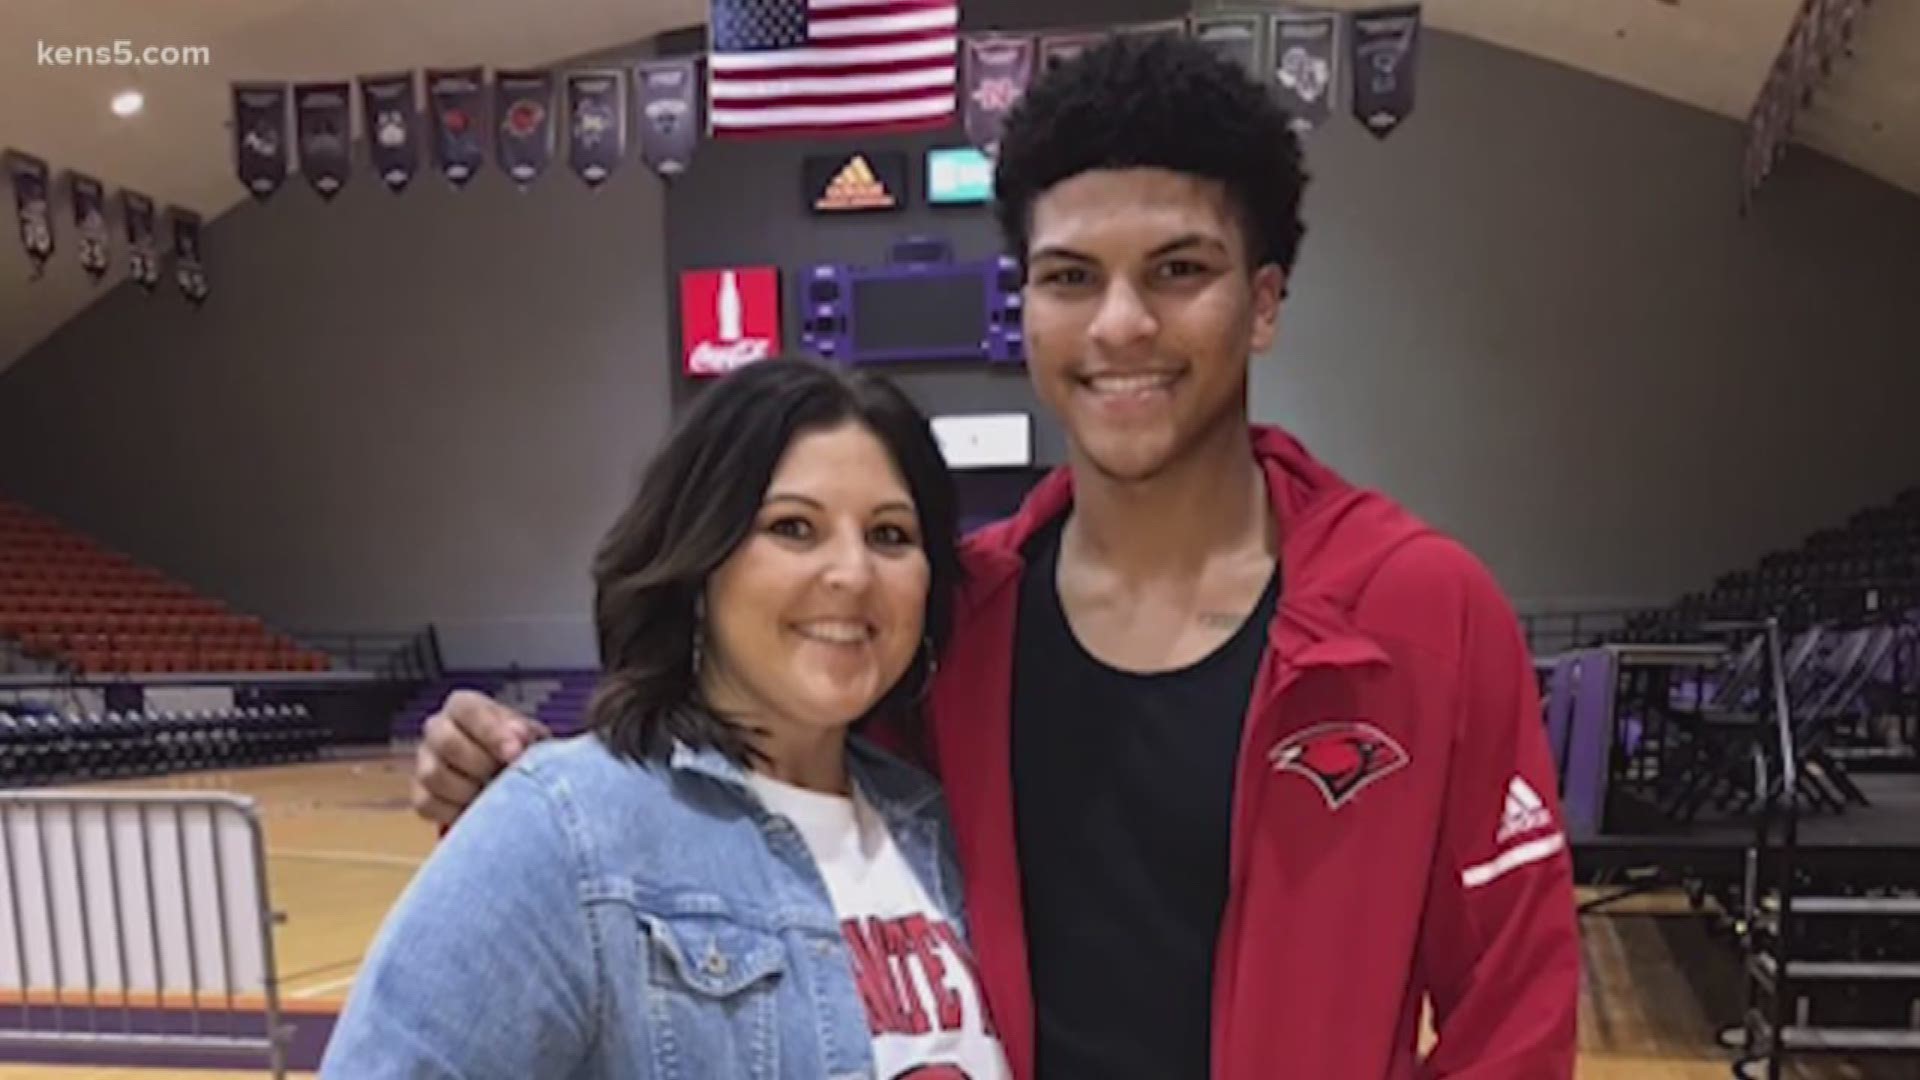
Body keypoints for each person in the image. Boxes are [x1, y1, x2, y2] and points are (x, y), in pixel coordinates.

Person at [411, 34, 1580, 1079]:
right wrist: (539, 780)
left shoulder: (1422, 611)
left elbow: (1513, 1016)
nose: (1121, 324)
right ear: (1022, 305)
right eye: (1071, 277)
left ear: (1263, 302)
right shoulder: (953, 623)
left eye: (1179, 270)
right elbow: (753, 789)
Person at [324, 357, 1011, 1079]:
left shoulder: (943, 827)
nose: (852, 573)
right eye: (794, 527)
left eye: (890, 535)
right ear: (699, 561)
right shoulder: (564, 831)